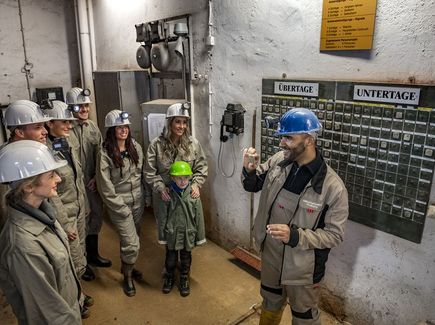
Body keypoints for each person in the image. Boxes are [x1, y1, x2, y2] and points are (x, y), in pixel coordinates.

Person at [241, 108, 349, 325]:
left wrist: (296, 236)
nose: (282, 143)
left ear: (309, 140)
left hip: (303, 269)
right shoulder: (278, 161)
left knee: (304, 316)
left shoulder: (332, 188)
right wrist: (249, 170)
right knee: (270, 302)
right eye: (282, 136)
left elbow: (334, 235)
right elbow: (252, 185)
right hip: (271, 255)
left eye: (289, 138)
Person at [0, 140, 81, 324]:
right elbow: (49, 314)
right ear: (29, 186)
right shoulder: (23, 246)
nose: (59, 179)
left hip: (70, 306)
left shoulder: (44, 213)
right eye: (51, 175)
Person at [144, 102, 208, 295]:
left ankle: (184, 275)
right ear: (170, 122)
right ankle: (170, 272)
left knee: (187, 236)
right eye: (177, 122)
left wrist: (196, 184)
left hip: (186, 198)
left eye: (184, 122)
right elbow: (149, 171)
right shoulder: (156, 145)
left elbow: (201, 167)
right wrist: (159, 187)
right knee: (168, 234)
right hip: (165, 198)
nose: (181, 126)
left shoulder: (193, 144)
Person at [96, 109, 145, 297]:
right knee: (131, 243)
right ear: (111, 129)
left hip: (137, 202)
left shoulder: (135, 147)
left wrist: (145, 198)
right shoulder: (105, 153)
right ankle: (128, 278)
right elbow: (105, 186)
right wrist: (120, 207)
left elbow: (140, 174)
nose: (124, 130)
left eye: (125, 126)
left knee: (133, 240)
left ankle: (128, 268)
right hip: (120, 205)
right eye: (119, 127)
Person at [67, 87, 112, 269]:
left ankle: (93, 255)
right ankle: (82, 262)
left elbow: (100, 154)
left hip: (91, 184)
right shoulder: (65, 130)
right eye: (80, 107)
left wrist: (96, 177)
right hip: (74, 186)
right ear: (70, 108)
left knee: (95, 216)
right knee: (80, 221)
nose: (85, 110)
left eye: (86, 106)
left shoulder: (92, 127)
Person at [0, 100, 51, 229]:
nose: (45, 131)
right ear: (20, 132)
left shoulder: (36, 152)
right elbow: (5, 210)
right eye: (38, 127)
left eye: (44, 126)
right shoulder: (5, 161)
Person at [160, 161, 206, 296]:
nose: (182, 181)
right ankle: (169, 276)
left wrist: (200, 237)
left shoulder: (193, 195)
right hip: (172, 233)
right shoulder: (168, 195)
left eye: (186, 177)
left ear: (190, 178)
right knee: (170, 258)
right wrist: (162, 236)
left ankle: (184, 278)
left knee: (186, 258)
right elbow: (163, 216)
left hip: (188, 233)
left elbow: (199, 217)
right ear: (172, 178)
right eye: (179, 178)